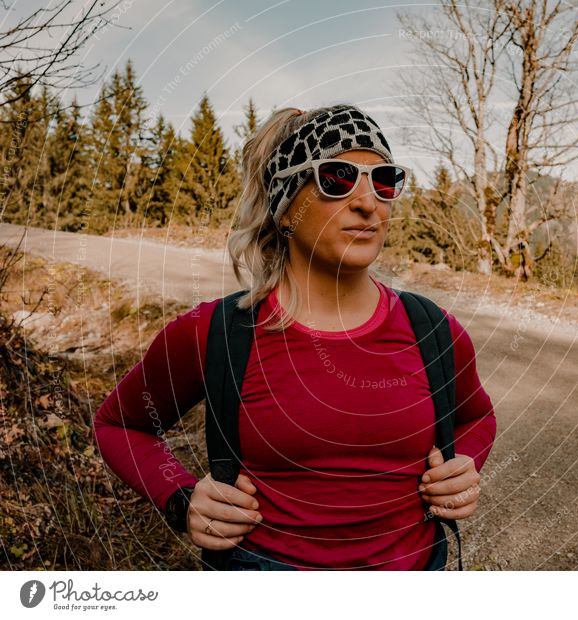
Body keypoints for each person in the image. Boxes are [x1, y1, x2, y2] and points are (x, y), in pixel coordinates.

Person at [93, 103, 496, 570]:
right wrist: (181, 498)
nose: (368, 202)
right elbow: (120, 425)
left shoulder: (433, 329)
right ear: (286, 208)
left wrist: (463, 466)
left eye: (383, 181)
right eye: (338, 178)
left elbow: (476, 417)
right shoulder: (217, 333)